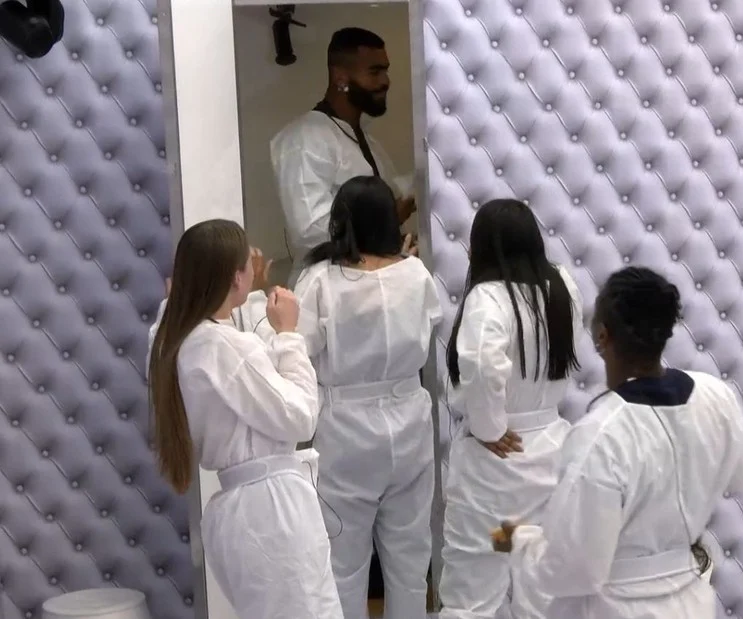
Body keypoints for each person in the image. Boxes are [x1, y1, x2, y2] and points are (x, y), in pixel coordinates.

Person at [490, 266, 743, 619]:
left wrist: (522, 542)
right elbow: (737, 478)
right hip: (691, 600)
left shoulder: (600, 433)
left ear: (602, 336)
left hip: (616, 607)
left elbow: (575, 569)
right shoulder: (717, 397)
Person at [146, 219, 343, 619]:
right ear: (236, 276)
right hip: (272, 511)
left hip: (241, 513)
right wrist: (288, 335)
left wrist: (244, 292)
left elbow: (202, 330)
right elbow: (301, 417)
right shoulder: (223, 347)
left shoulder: (172, 340)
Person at [293, 175, 441, 619]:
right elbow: (431, 323)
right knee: (411, 560)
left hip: (345, 427)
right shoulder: (415, 273)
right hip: (410, 417)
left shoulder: (319, 280)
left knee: (343, 563)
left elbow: (298, 349)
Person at [439, 199, 583, 619]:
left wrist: (489, 429)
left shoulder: (488, 298)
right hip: (549, 454)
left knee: (475, 585)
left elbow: (483, 365)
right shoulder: (562, 287)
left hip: (495, 469)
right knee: (538, 583)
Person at [271, 27, 416, 286]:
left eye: (385, 70)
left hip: (369, 287)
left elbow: (392, 196)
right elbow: (308, 230)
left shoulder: (365, 140)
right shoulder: (304, 139)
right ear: (340, 77)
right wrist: (386, 219)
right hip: (325, 293)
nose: (385, 81)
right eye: (375, 72)